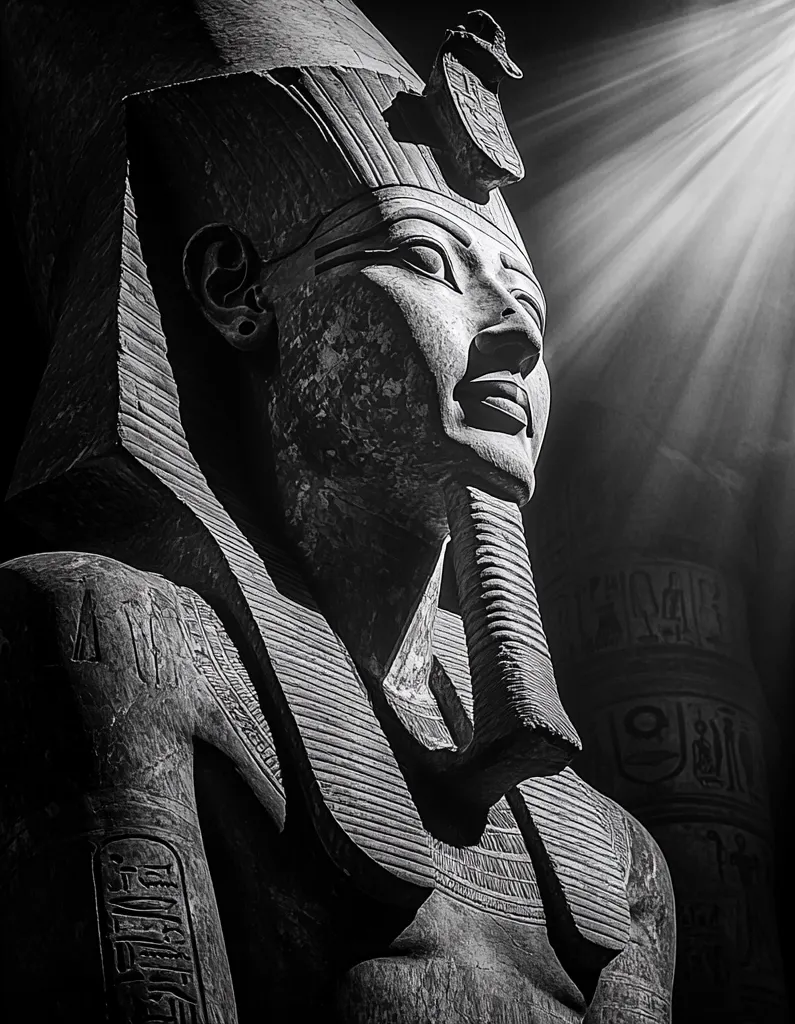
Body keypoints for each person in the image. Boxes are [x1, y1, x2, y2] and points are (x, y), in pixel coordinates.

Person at [0, 3, 675, 1021]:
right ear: (237, 291)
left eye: (529, 306)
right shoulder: (114, 649)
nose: (515, 337)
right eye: (431, 261)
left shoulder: (623, 863)